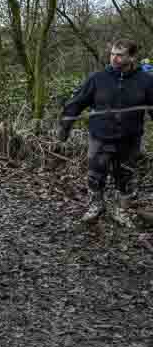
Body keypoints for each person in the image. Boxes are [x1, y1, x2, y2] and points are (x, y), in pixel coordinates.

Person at [58, 38, 153, 227]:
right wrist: (64, 127)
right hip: (100, 137)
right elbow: (76, 102)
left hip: (129, 138)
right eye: (112, 54)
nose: (114, 59)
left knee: (125, 175)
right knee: (95, 174)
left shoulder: (146, 81)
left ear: (132, 57)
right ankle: (96, 205)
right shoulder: (97, 78)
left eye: (120, 55)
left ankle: (121, 209)